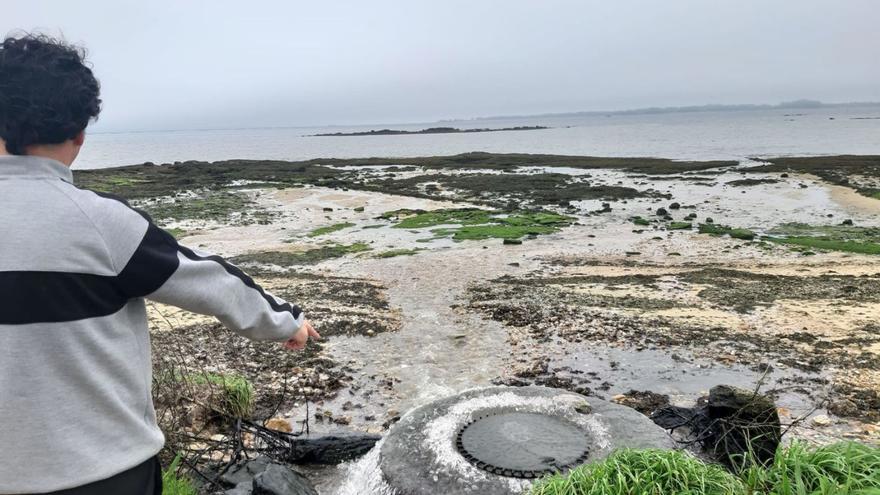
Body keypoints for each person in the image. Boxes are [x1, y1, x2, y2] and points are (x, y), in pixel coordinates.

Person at [0, 34, 320, 494]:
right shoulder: (101, 224)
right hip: (104, 471)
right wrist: (285, 321)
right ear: (79, 133)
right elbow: (209, 280)